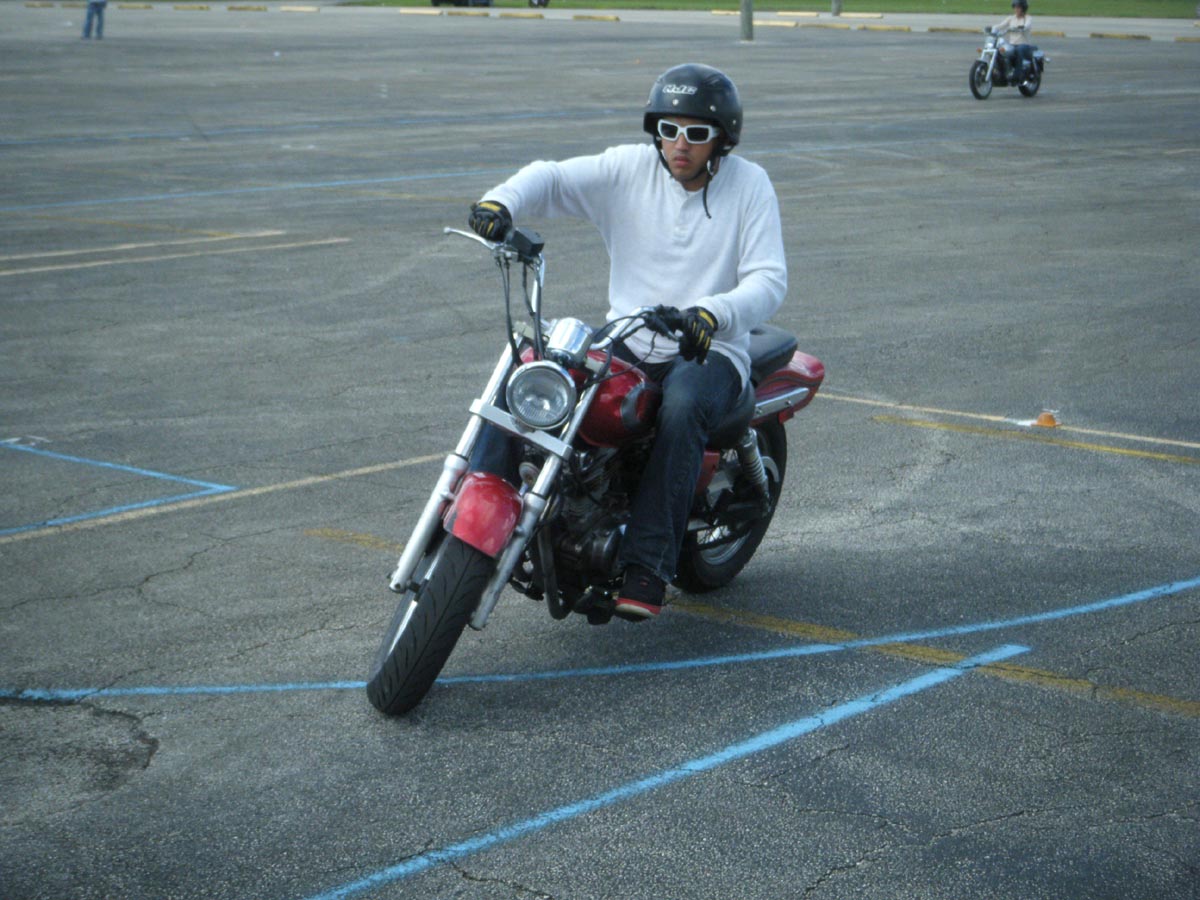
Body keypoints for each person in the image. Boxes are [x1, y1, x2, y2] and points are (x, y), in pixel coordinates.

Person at [467, 63, 787, 620]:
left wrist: (714, 313)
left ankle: (648, 565)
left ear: (722, 139)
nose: (680, 144)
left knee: (682, 405)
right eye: (668, 130)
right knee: (533, 364)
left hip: (710, 348)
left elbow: (768, 278)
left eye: (696, 133)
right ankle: (476, 494)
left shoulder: (750, 185)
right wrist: (503, 202)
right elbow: (554, 178)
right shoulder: (628, 169)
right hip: (631, 336)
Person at [993, 0, 1034, 82]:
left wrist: (1022, 27)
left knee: (1018, 50)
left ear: (1023, 8)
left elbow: (1027, 25)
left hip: (1024, 45)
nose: (1016, 9)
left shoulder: (1028, 18)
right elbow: (1001, 25)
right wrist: (992, 28)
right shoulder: (1011, 18)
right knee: (1000, 51)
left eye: (1018, 7)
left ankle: (1017, 75)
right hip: (1012, 44)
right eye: (1015, 7)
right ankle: (1001, 73)